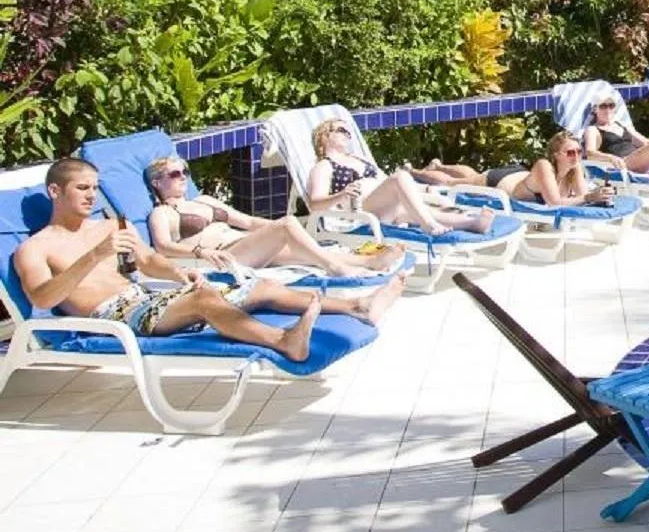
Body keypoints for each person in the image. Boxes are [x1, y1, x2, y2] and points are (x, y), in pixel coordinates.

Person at [15, 158, 403, 363]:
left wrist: (183, 275)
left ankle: (358, 305)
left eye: (95, 189)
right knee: (207, 303)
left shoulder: (104, 225)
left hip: (147, 299)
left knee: (259, 286)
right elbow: (44, 300)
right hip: (111, 317)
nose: (92, 197)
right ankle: (284, 342)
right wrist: (94, 256)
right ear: (55, 191)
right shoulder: (35, 248)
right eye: (82, 189)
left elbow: (150, 262)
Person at [145, 156, 404, 278]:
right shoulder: (162, 213)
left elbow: (246, 221)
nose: (183, 178)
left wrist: (285, 232)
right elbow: (163, 247)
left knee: (305, 250)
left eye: (185, 172)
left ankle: (369, 262)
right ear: (157, 183)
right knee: (290, 223)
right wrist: (200, 253)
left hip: (245, 242)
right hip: (225, 255)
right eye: (175, 175)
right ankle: (335, 269)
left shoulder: (203, 200)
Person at [305, 119, 495, 236]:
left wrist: (420, 190)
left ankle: (473, 223)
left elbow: (383, 181)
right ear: (324, 136)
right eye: (341, 130)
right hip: (361, 211)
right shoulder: (324, 166)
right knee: (399, 178)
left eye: (349, 132)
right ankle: (429, 226)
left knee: (410, 208)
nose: (347, 135)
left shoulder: (358, 158)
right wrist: (341, 195)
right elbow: (314, 204)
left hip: (384, 206)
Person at [485, 131, 618, 207]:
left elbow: (582, 195)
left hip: (521, 175)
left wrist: (600, 194)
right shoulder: (544, 165)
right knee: (465, 181)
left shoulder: (574, 166)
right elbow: (555, 203)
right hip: (500, 181)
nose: (577, 156)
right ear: (556, 155)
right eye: (571, 152)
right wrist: (590, 197)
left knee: (467, 174)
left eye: (579, 151)